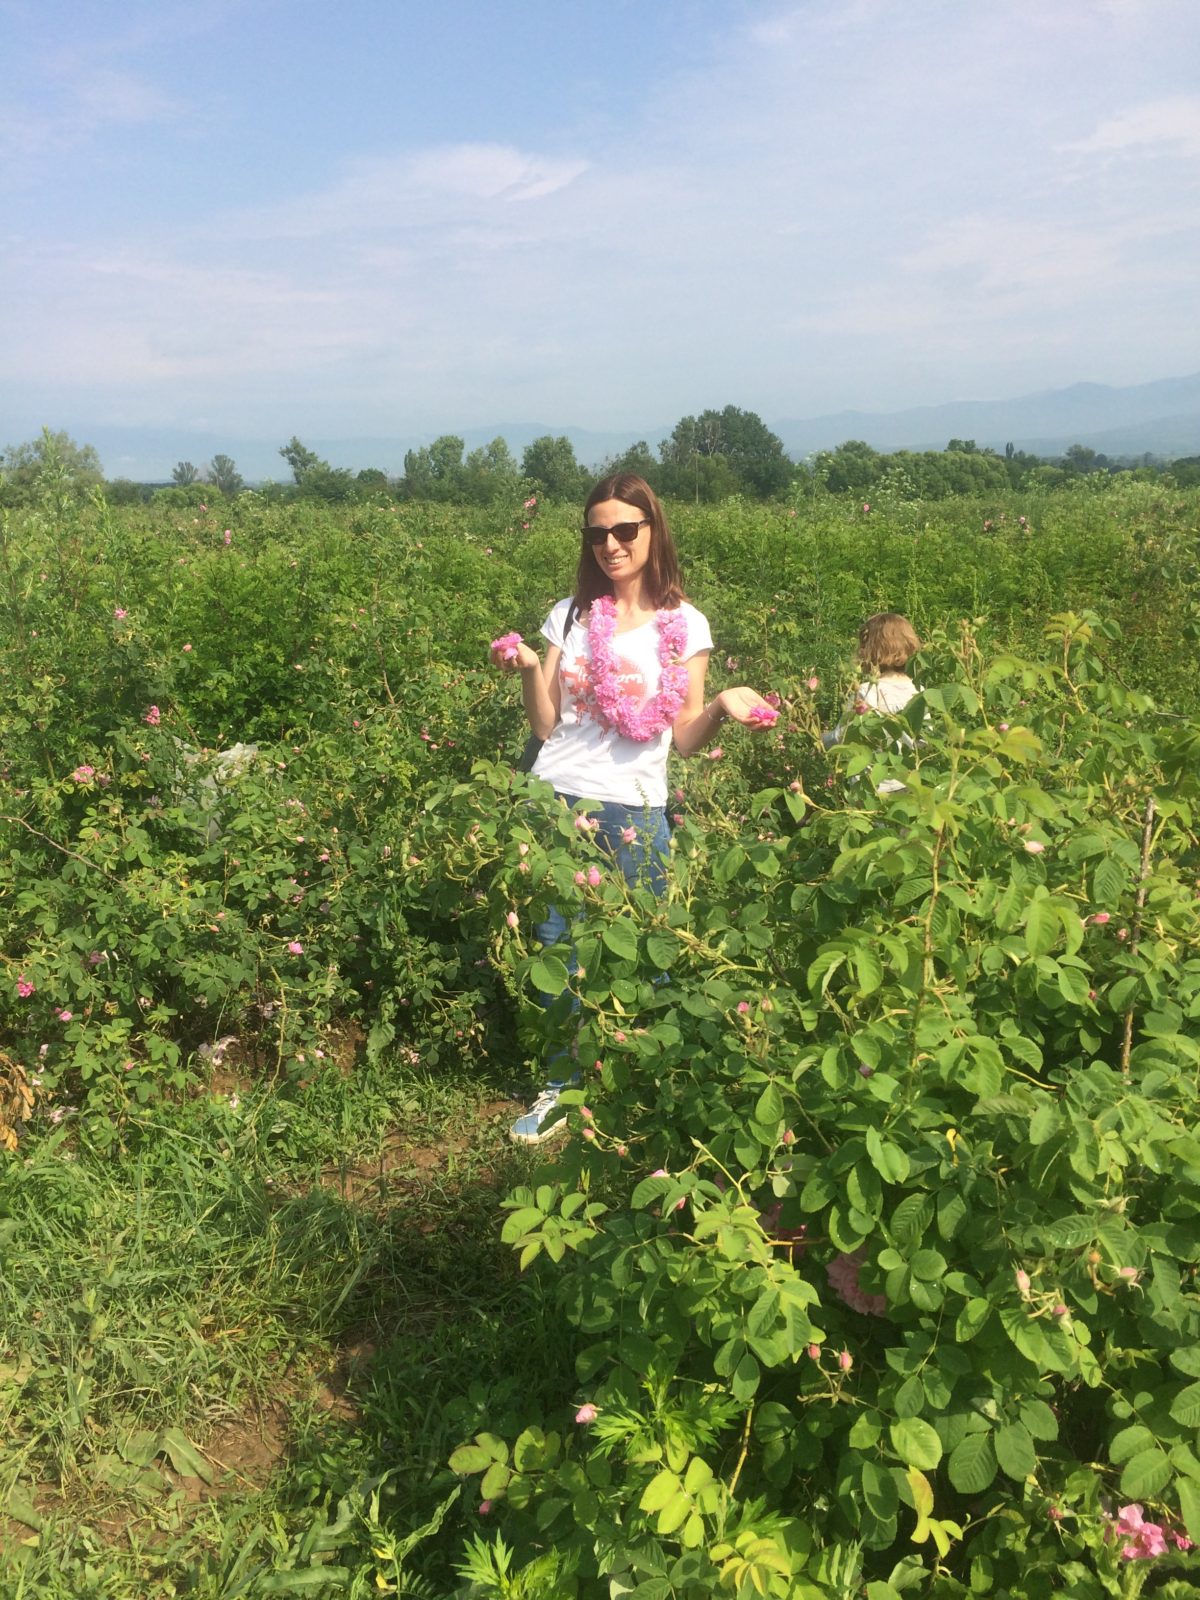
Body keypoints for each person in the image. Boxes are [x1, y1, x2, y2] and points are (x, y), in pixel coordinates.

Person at [490, 472, 775, 1142]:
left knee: (648, 946)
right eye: (597, 534)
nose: (610, 545)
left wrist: (726, 708)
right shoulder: (570, 613)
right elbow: (543, 726)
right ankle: (560, 1086)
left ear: (653, 530)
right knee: (556, 942)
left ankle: (640, 1080)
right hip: (556, 798)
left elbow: (684, 734)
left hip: (638, 807)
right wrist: (533, 667)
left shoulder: (685, 626)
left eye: (624, 530)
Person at [824, 612, 922, 793]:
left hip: (874, 787)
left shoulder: (868, 690)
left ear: (869, 649)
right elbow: (924, 739)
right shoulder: (918, 691)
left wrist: (821, 740)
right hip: (910, 783)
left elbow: (843, 736)